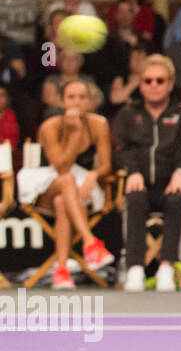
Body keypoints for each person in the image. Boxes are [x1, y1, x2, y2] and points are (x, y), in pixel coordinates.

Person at [112, 55, 181, 292]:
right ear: (140, 84)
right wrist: (132, 171)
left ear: (170, 83)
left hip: (170, 181)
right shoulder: (128, 114)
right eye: (148, 80)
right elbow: (121, 147)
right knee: (134, 198)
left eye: (159, 80)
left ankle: (167, 268)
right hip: (139, 182)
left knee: (178, 199)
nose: (153, 85)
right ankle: (134, 268)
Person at [18, 78, 115, 288]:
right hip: (46, 189)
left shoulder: (99, 124)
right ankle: (90, 241)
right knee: (67, 179)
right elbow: (62, 168)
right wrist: (75, 132)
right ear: (62, 102)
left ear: (90, 102)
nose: (77, 102)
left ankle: (61, 271)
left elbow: (106, 165)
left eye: (82, 97)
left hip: (78, 193)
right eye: (71, 97)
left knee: (64, 201)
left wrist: (92, 175)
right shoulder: (49, 127)